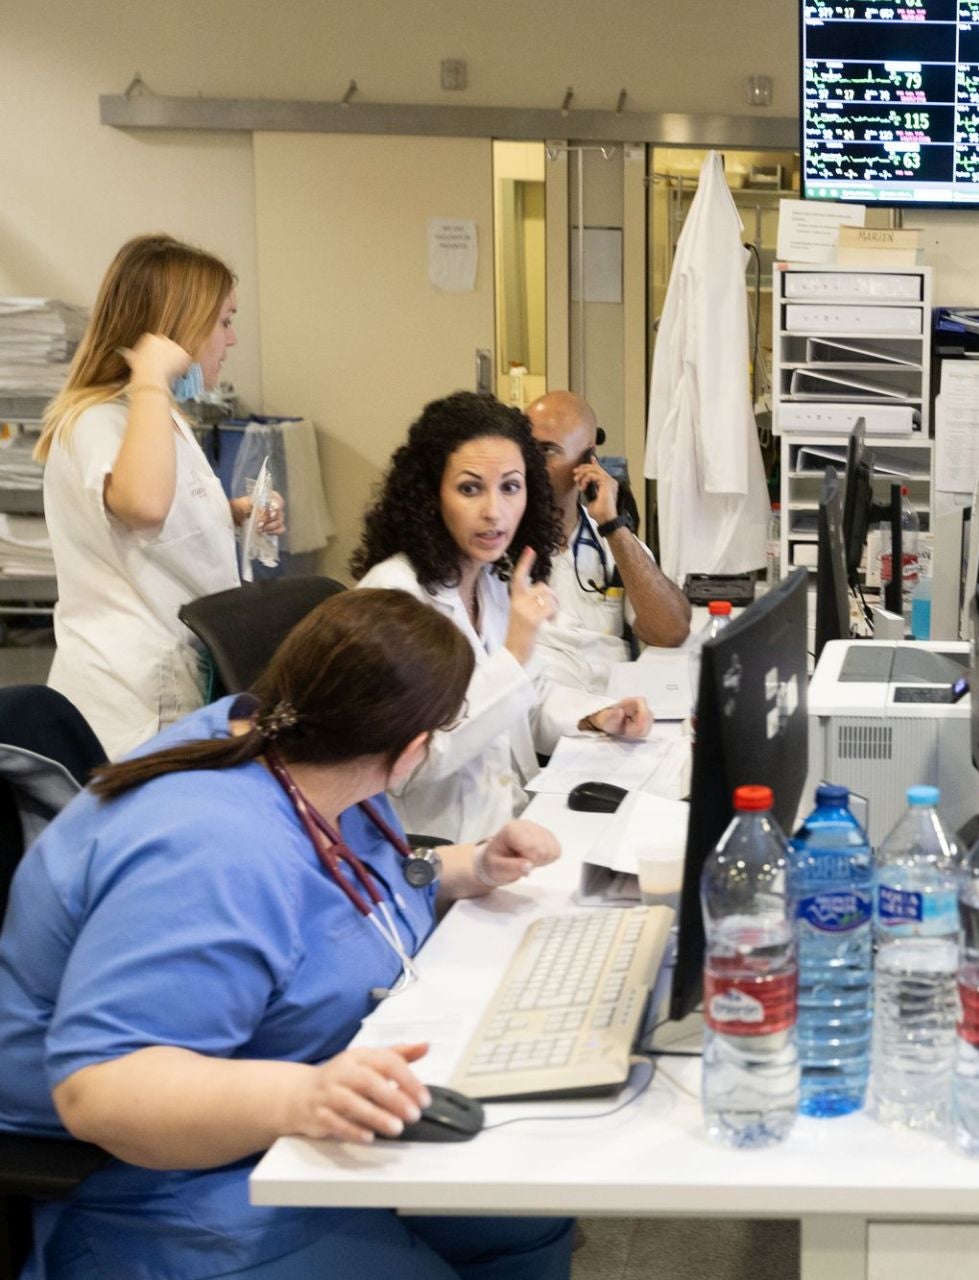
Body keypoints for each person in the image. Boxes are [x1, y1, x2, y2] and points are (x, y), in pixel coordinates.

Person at [0, 589, 572, 1279]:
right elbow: (100, 1091)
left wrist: (470, 865)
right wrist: (302, 1097)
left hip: (307, 1103)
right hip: (159, 1187)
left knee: (528, 1212)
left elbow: (355, 880)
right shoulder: (206, 852)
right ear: (413, 749)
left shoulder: (293, 749)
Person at [353, 392, 652, 842]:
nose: (494, 512)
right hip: (441, 853)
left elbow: (528, 698)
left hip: (513, 826)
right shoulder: (392, 596)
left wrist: (597, 714)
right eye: (470, 488)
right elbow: (411, 766)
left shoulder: (489, 580)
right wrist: (513, 653)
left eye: (510, 487)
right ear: (430, 493)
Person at [38, 234, 284, 759]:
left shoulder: (156, 414)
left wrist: (233, 516)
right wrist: (150, 375)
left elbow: (156, 522)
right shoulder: (98, 419)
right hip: (134, 702)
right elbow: (145, 508)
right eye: (223, 321)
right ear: (179, 329)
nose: (231, 340)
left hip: (180, 682)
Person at [525, 391, 692, 705]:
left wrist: (614, 527)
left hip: (614, 721)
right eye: (526, 448)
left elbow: (671, 632)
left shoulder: (610, 544)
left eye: (547, 451)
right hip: (534, 731)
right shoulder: (496, 547)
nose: (530, 464)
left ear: (587, 460)